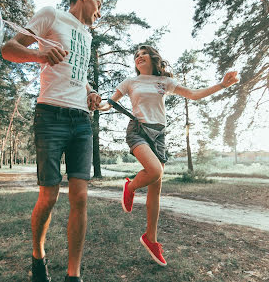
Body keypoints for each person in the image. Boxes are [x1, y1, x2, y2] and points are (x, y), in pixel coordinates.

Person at [98, 45, 238, 266]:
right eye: (136, 55)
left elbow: (193, 94)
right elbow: (109, 102)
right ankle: (130, 186)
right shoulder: (130, 82)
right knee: (155, 170)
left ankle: (151, 238)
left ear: (153, 58)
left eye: (143, 53)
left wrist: (222, 84)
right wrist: (99, 104)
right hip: (138, 131)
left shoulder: (164, 83)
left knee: (156, 188)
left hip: (159, 136)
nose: (139, 57)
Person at [1, 0, 103, 281]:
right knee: (49, 195)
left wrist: (91, 92)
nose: (99, 12)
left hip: (81, 120)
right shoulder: (50, 15)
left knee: (80, 197)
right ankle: (37, 255)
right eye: (98, 3)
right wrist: (40, 53)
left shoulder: (87, 34)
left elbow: (78, 76)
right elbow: (8, 49)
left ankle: (74, 275)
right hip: (50, 116)